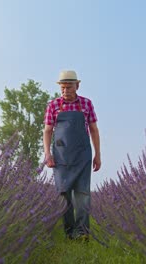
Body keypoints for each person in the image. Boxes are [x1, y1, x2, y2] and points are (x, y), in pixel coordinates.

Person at [43, 70, 101, 241]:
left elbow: (94, 130)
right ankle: (70, 234)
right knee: (63, 194)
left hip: (83, 155)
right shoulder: (53, 105)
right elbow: (47, 131)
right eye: (63, 87)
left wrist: (98, 154)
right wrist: (47, 154)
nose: (65, 91)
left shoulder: (86, 104)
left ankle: (82, 233)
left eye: (69, 87)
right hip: (61, 157)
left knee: (82, 194)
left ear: (77, 85)